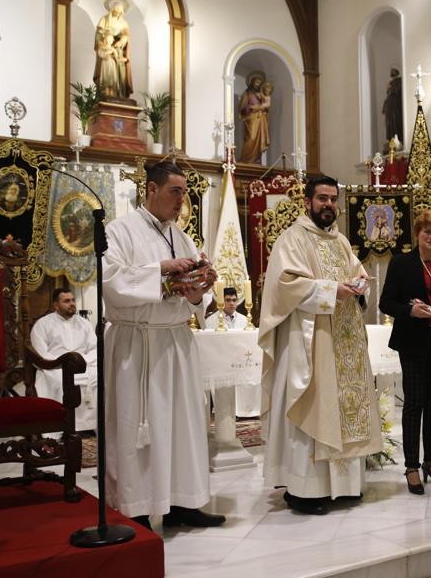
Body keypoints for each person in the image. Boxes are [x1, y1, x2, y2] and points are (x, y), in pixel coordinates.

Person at [103, 161, 225, 530]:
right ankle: (136, 506)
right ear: (151, 190)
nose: (181, 200)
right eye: (175, 191)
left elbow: (195, 298)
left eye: (184, 192)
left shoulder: (181, 234)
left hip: (175, 340)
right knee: (137, 427)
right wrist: (162, 271)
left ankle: (182, 503)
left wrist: (196, 290)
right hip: (136, 344)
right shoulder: (118, 231)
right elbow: (110, 280)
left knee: (183, 424)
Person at [259, 175, 382, 515]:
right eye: (322, 198)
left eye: (332, 199)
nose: (328, 205)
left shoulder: (341, 241)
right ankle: (305, 491)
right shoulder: (293, 239)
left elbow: (359, 277)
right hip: (309, 341)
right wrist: (332, 290)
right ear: (308, 202)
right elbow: (286, 285)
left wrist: (360, 286)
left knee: (344, 408)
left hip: (343, 341)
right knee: (314, 407)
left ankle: (344, 487)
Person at [379, 209, 431, 495]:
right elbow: (386, 303)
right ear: (417, 234)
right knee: (414, 404)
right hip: (413, 342)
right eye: (427, 231)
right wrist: (410, 311)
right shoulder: (401, 263)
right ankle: (412, 466)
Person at [30, 289, 98, 431]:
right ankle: (62, 427)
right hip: (54, 367)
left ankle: (91, 426)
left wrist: (80, 361)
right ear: (56, 305)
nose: (72, 304)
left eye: (73, 300)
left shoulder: (84, 323)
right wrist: (64, 363)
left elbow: (94, 349)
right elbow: (40, 353)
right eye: (67, 301)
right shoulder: (43, 324)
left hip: (82, 365)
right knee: (61, 382)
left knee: (99, 378)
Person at [206, 287, 257, 416]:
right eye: (228, 300)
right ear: (221, 301)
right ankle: (229, 411)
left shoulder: (245, 320)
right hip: (222, 363)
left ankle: (249, 409)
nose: (232, 303)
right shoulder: (211, 320)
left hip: (241, 361)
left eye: (234, 300)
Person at [94, 0, 133, 99]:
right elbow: (98, 35)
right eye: (115, 11)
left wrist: (121, 41)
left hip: (118, 50)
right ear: (112, 10)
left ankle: (120, 94)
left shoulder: (124, 22)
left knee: (120, 72)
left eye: (119, 12)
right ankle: (105, 93)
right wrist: (103, 44)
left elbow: (126, 36)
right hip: (106, 50)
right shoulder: (104, 19)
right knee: (106, 74)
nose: (117, 14)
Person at [238, 73, 270, 164]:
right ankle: (246, 159)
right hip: (251, 118)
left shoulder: (262, 94)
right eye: (257, 82)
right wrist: (250, 108)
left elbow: (267, 106)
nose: (258, 84)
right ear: (252, 82)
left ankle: (256, 159)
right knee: (251, 138)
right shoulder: (247, 93)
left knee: (259, 139)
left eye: (260, 83)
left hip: (260, 119)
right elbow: (242, 107)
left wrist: (261, 106)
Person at [381, 68, 402, 146]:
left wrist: (391, 88)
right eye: (391, 72)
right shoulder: (390, 83)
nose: (392, 73)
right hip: (389, 106)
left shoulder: (400, 81)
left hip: (395, 105)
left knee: (395, 121)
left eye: (393, 71)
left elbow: (398, 91)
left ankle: (397, 139)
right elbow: (388, 95)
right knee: (389, 122)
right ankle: (391, 139)